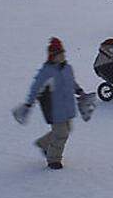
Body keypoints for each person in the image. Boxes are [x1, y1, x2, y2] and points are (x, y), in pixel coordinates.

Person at [18, 38, 87, 169]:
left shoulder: (67, 68)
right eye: (59, 54)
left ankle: (44, 143)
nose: (62, 56)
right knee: (61, 134)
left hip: (68, 106)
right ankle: (53, 160)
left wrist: (79, 90)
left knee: (67, 130)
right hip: (55, 108)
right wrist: (28, 103)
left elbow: (72, 82)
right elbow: (36, 87)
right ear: (52, 56)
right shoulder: (47, 71)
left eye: (63, 53)